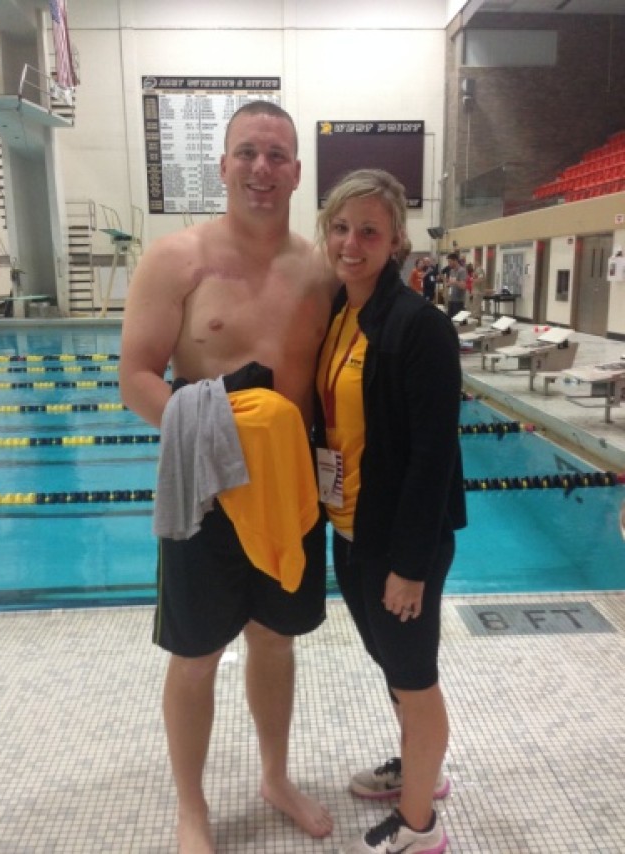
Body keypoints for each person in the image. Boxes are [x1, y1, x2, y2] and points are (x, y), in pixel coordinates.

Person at [119, 101, 335, 853]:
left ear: (298, 172)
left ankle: (275, 777)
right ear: (222, 165)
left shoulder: (321, 271)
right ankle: (192, 809)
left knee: (276, 640)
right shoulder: (176, 260)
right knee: (197, 651)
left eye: (277, 155)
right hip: (204, 491)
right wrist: (210, 433)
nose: (262, 169)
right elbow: (136, 376)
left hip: (287, 493)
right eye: (247, 153)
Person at [315, 169, 466, 854]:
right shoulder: (342, 314)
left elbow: (434, 457)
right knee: (390, 663)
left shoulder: (420, 327)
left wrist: (409, 567)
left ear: (397, 239)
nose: (352, 243)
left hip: (402, 545)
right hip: (353, 533)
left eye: (369, 230)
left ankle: (420, 826)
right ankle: (416, 771)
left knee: (413, 672)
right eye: (341, 228)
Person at [445, 251, 468, 318]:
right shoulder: (451, 271)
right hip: (451, 299)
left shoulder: (462, 271)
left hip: (459, 301)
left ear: (455, 260)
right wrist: (448, 284)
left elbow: (463, 286)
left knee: (458, 322)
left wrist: (454, 282)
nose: (449, 263)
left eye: (450, 261)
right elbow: (451, 283)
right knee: (450, 320)